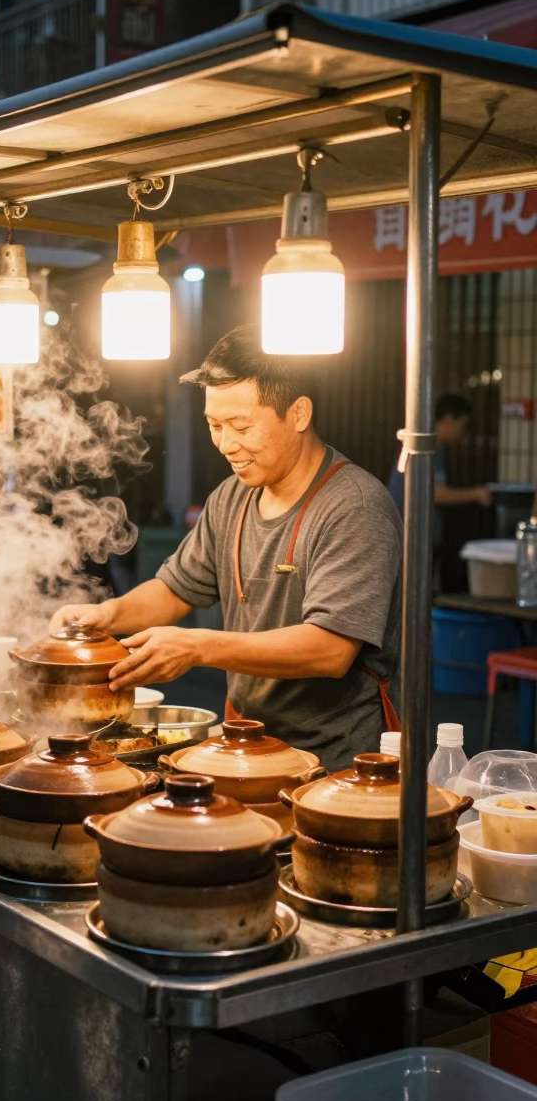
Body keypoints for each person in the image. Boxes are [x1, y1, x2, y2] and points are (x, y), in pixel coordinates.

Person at [51, 329, 403, 771]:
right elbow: (176, 589)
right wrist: (107, 615)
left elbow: (330, 649)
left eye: (240, 426)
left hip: (340, 763)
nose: (226, 444)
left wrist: (197, 647)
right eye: (214, 425)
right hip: (245, 746)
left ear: (298, 413)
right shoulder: (231, 497)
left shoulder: (355, 506)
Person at [386, 394, 493, 519]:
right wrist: (476, 494)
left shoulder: (427, 444)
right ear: (448, 419)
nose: (463, 433)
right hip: (408, 528)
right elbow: (436, 494)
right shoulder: (427, 447)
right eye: (463, 425)